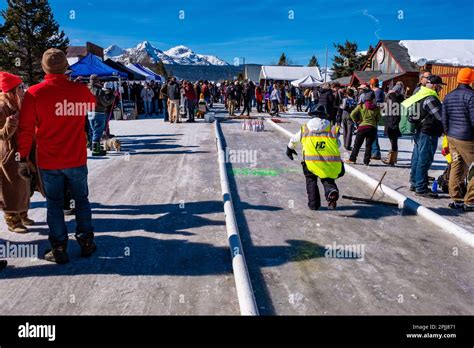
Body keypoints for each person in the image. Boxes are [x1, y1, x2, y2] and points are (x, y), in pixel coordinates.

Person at [16, 48, 97, 264]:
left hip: (49, 160)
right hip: (76, 157)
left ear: (44, 68)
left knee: (53, 204)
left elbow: (25, 130)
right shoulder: (80, 92)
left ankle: (59, 248)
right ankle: (86, 241)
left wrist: (22, 158)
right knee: (81, 200)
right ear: (65, 67)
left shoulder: (34, 93)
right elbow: (93, 106)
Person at [286, 104, 344, 210]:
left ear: (312, 115)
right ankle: (331, 192)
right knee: (328, 178)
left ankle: (314, 205)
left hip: (310, 161)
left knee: (311, 181)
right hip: (329, 161)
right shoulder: (331, 128)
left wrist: (289, 148)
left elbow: (294, 139)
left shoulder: (305, 128)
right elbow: (338, 144)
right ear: (324, 116)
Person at [403, 75, 445, 198]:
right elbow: (440, 116)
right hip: (428, 132)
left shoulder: (420, 94)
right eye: (440, 86)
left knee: (417, 157)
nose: (440, 89)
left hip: (420, 131)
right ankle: (421, 187)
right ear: (434, 85)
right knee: (424, 159)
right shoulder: (430, 98)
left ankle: (415, 183)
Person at [0, 72, 32, 233]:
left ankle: (23, 213)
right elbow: (1, 135)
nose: (23, 89)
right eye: (19, 87)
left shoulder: (19, 101)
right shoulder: (2, 107)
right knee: (11, 187)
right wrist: (10, 124)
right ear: (11, 90)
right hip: (8, 153)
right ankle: (12, 220)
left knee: (24, 184)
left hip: (21, 150)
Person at [442, 68, 474, 211]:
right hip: (467, 138)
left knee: (456, 165)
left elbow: (444, 118)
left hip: (452, 137)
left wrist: (448, 134)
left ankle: (456, 198)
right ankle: (470, 200)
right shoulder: (471, 96)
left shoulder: (449, 96)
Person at [345, 91, 381, 166]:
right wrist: (374, 122)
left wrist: (357, 121)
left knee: (357, 145)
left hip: (362, 127)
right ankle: (366, 161)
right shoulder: (376, 108)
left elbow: (352, 114)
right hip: (372, 128)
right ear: (373, 99)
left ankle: (352, 159)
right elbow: (379, 118)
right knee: (369, 146)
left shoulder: (361, 106)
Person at [88, 74, 114, 156]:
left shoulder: (87, 88)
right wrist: (113, 96)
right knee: (97, 132)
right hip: (98, 112)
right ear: (97, 81)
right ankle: (96, 151)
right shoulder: (99, 90)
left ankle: (94, 147)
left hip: (89, 112)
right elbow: (105, 102)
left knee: (93, 130)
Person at [382, 82, 405, 166]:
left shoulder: (392, 97)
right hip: (395, 119)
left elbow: (385, 109)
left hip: (392, 120)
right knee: (394, 140)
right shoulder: (401, 98)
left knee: (393, 141)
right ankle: (393, 159)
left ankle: (391, 159)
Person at [369, 78, 384, 160]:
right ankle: (374, 151)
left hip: (373, 114)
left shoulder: (376, 92)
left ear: (372, 85)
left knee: (372, 133)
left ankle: (375, 152)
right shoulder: (380, 92)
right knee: (372, 132)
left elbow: (375, 104)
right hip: (377, 114)